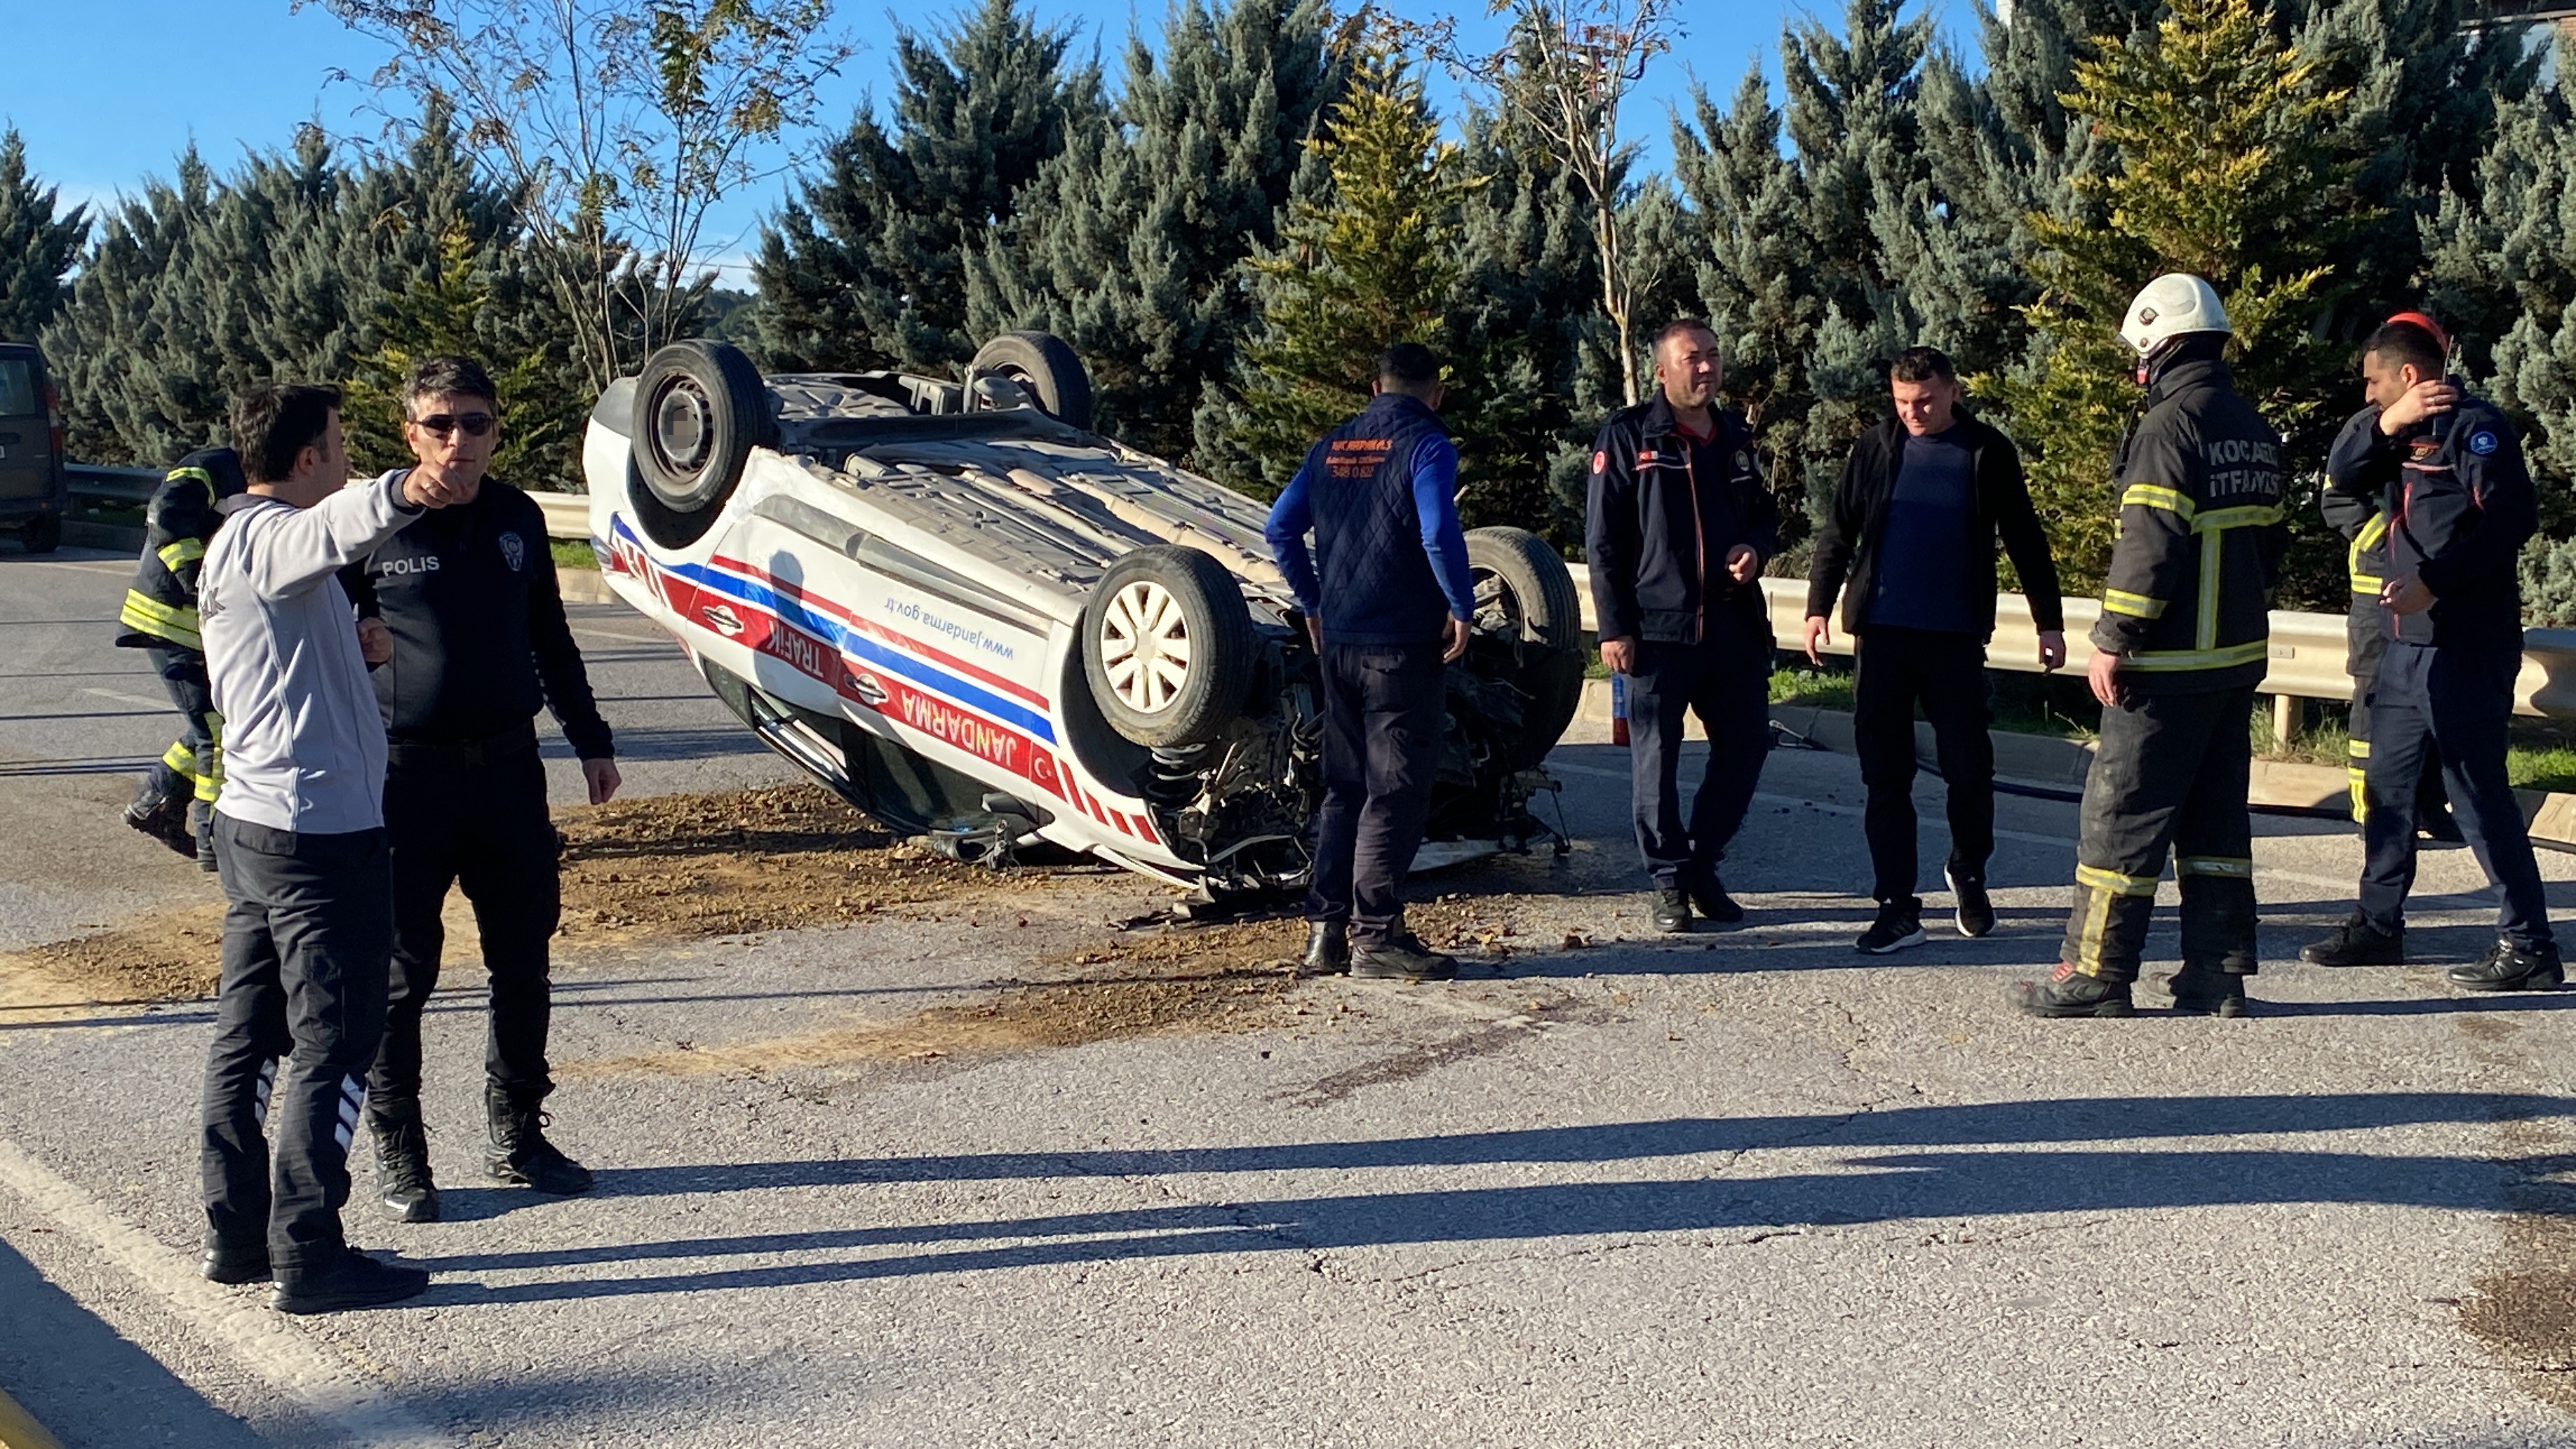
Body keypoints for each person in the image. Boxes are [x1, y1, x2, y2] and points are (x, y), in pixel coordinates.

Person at [196, 384, 466, 1314]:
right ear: (308, 457)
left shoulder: (230, 542)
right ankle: (310, 1250)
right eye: (342, 444)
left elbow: (284, 659)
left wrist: (356, 653)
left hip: (258, 824)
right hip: (316, 837)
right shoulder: (276, 536)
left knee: (252, 1034)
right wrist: (405, 488)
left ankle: (236, 1231)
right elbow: (335, 527)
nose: (347, 456)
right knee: (339, 1039)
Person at [342, 356, 619, 1222]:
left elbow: (550, 634)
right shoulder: (365, 524)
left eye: (478, 424)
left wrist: (591, 740)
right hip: (403, 778)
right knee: (401, 976)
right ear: (409, 432)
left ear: (496, 431)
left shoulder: (518, 517)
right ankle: (401, 1150)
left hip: (506, 771)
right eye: (441, 424)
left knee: (523, 960)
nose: (461, 441)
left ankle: (517, 1134)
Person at [2011, 274, 2286, 1019]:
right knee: (2215, 825)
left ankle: (2096, 971)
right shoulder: (2252, 424)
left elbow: (2149, 545)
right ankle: (2218, 972)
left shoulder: (2170, 426)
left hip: (2163, 667)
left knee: (2120, 820)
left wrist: (2114, 639)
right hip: (2233, 664)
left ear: (2157, 347)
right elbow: (2274, 546)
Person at [2297, 318, 2558, 988]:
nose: (2366, 393)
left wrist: (2433, 584)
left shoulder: (2475, 428)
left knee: (2475, 795)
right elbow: (2341, 473)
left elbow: (2511, 520)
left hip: (2466, 644)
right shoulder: (2398, 430)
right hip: (2405, 648)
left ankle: (2529, 946)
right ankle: (2379, 924)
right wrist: (2387, 424)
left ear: (2408, 374)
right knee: (2388, 793)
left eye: (2374, 382)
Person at [1803, 346, 2066, 953]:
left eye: (1924, 401)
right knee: (1885, 777)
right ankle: (1896, 906)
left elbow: (2025, 537)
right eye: (1901, 403)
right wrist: (1818, 608)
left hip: (1954, 638)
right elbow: (1839, 529)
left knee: (1970, 769)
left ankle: (1968, 871)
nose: (1913, 413)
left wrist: (2047, 623)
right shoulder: (1876, 447)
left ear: (1953, 392)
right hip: (1884, 635)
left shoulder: (1986, 451)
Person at [1264, 342, 1477, 983]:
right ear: (1434, 394)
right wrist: (1460, 603)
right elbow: (1438, 532)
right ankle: (1378, 935)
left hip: (1343, 644)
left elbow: (1280, 528)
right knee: (1397, 790)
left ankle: (1325, 934)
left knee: (1345, 787)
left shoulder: (1330, 447)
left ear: (1373, 386)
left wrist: (1314, 601)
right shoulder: (1427, 445)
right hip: (1402, 646)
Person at [1586, 318, 1782, 933]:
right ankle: (1669, 881)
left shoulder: (1735, 436)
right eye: (1693, 358)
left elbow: (1767, 516)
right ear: (1663, 371)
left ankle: (1700, 863)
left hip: (1731, 625)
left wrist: (1754, 546)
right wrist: (1615, 627)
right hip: (1656, 629)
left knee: (1747, 747)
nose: (1707, 368)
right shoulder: (1629, 437)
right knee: (1657, 759)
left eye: (1714, 357)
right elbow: (1604, 542)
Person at [2319, 311, 2460, 845]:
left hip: (2434, 583)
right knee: (2376, 695)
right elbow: (2337, 495)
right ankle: (2370, 808)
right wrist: (2385, 542)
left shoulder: (2452, 418)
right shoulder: (2372, 423)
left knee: (2430, 695)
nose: (2366, 393)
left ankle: (2429, 800)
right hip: (2378, 586)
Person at [115, 447, 249, 869]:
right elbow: (165, 513)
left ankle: (155, 802)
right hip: (172, 619)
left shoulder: (264, 479)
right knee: (217, 729)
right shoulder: (217, 466)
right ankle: (213, 842)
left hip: (200, 627)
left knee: (215, 722)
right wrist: (197, 581)